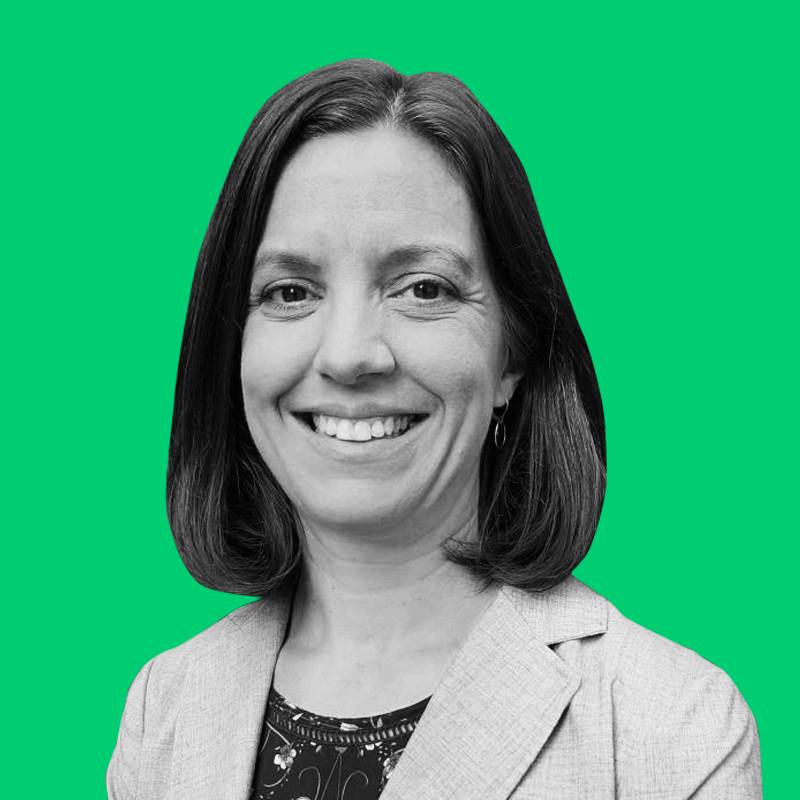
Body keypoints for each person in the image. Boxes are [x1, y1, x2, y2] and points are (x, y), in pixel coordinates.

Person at [107, 59, 762, 799]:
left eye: (423, 288)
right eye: (290, 292)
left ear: (513, 351)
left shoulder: (671, 728)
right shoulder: (165, 709)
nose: (350, 353)